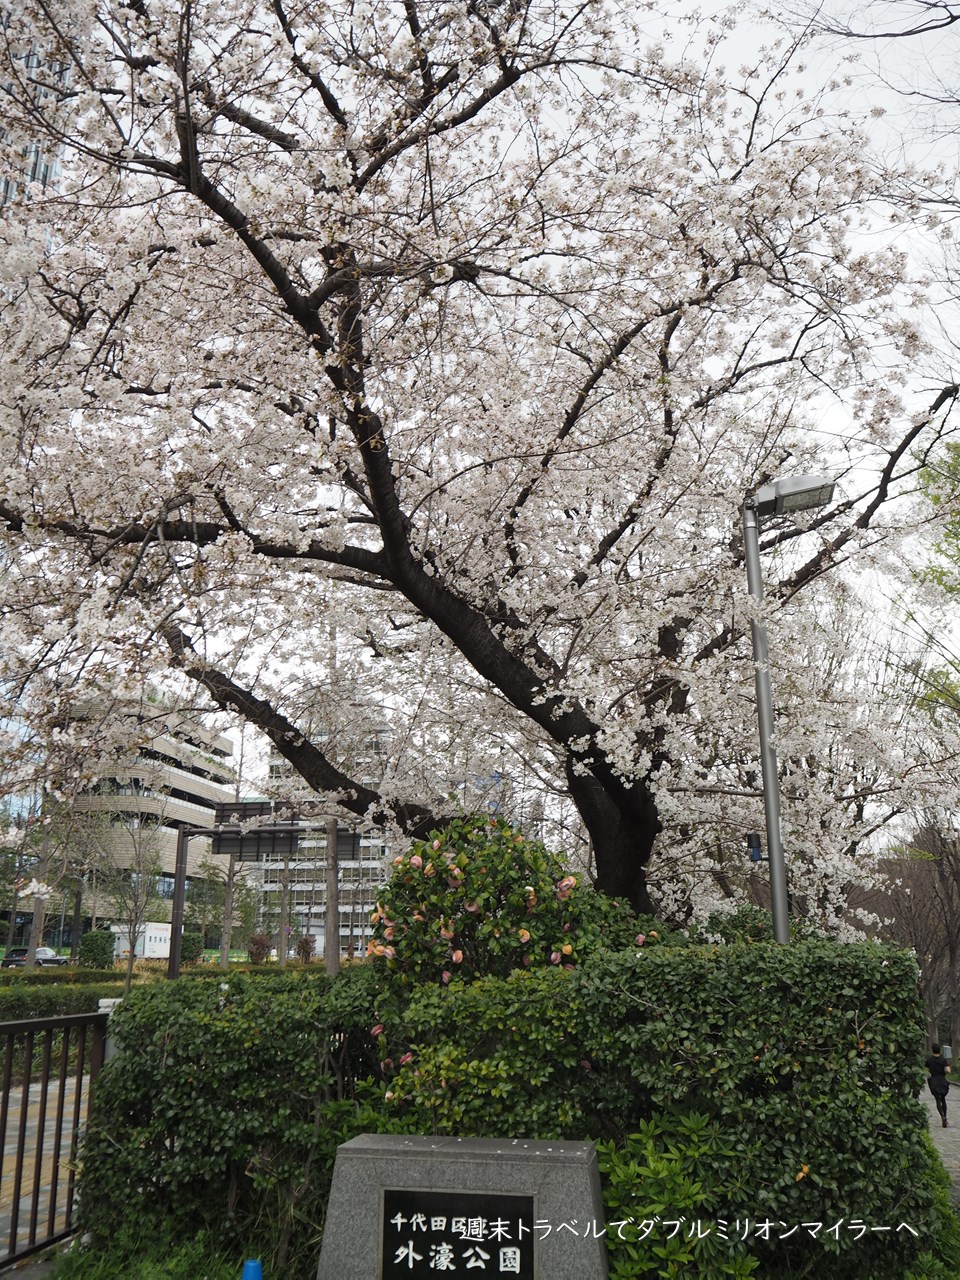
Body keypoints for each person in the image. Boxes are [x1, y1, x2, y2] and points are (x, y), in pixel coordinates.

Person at [926, 1043, 951, 1127]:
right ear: (940, 1050)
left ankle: (942, 1116)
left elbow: (927, 1071)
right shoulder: (943, 1059)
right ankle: (945, 1116)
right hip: (942, 1081)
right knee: (943, 1099)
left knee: (937, 1100)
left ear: (932, 1050)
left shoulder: (929, 1060)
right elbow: (948, 1070)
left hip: (934, 1081)